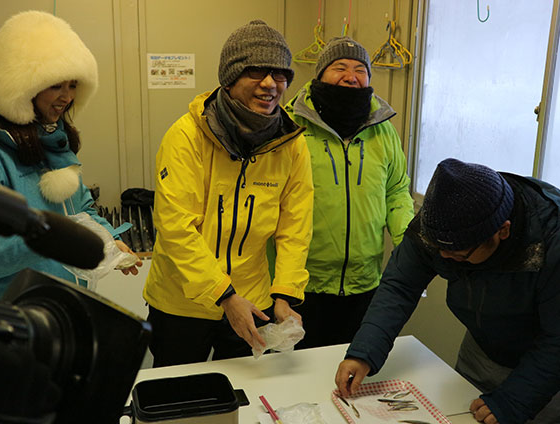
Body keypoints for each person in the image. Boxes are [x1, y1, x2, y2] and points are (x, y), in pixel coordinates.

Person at [335, 158, 560, 424]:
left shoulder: (552, 242)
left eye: (459, 254)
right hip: (481, 349)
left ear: (503, 231)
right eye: (438, 249)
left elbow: (556, 340)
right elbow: (400, 285)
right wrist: (364, 352)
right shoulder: (441, 217)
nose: (443, 257)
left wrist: (513, 401)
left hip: (546, 373)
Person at [143, 20, 314, 367]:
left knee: (244, 399)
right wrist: (225, 295)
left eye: (280, 74)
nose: (270, 84)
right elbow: (175, 227)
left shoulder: (291, 144)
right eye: (255, 71)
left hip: (253, 297)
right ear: (230, 77)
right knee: (179, 399)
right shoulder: (187, 136)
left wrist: (285, 294)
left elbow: (295, 228)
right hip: (181, 302)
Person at [0, 11, 141, 300]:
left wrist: (107, 240)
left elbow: (80, 211)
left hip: (62, 310)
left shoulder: (54, 143)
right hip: (10, 321)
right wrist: (40, 239)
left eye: (73, 85)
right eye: (55, 85)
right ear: (23, 86)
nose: (67, 97)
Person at [283, 36, 414, 348]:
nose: (351, 76)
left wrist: (407, 244)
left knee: (352, 371)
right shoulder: (290, 125)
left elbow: (396, 191)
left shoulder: (383, 129)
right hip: (301, 285)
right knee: (300, 375)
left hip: (366, 283)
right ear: (319, 75)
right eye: (339, 67)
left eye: (360, 70)